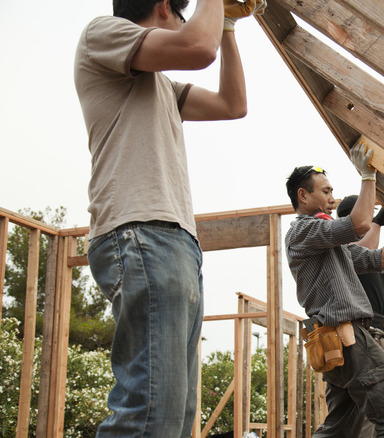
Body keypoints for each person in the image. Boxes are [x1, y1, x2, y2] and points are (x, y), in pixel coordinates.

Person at [75, 0, 262, 435]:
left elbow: (232, 103)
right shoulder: (103, 34)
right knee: (150, 413)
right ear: (165, 7)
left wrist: (229, 24)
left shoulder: (159, 85)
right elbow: (198, 47)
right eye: (185, 12)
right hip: (140, 232)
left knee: (174, 417)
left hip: (172, 241)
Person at [284, 142, 384, 437]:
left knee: (342, 430)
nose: (332, 199)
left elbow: (379, 258)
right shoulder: (303, 230)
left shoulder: (332, 246)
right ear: (303, 196)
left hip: (339, 343)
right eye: (326, 192)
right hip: (348, 338)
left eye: (332, 192)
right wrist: (367, 175)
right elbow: (359, 223)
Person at [336, 196, 384, 350]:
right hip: (357, 332)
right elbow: (365, 249)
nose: (369, 220)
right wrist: (377, 222)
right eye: (367, 214)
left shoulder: (372, 254)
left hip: (376, 332)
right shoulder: (341, 247)